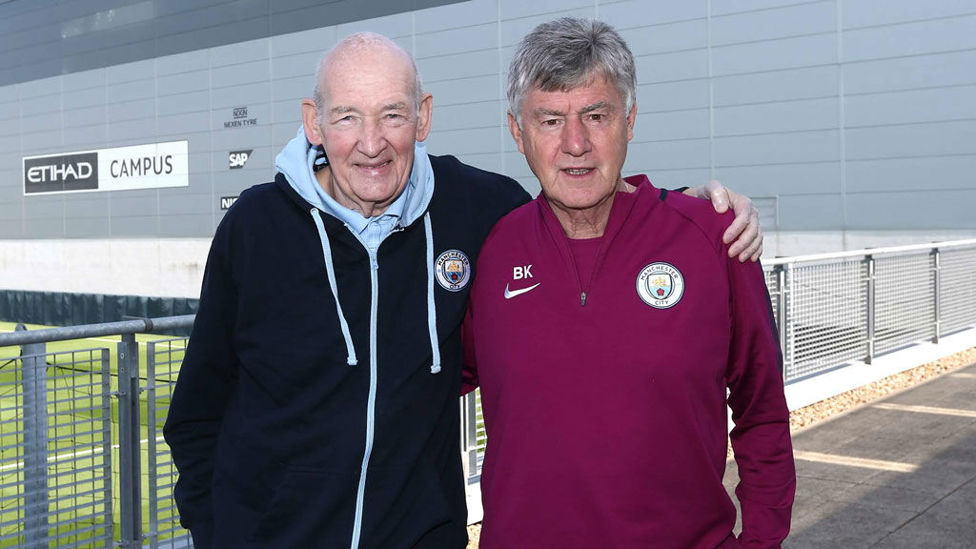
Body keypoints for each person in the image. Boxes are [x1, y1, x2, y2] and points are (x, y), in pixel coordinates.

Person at [163, 32, 765, 549]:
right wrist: (216, 533)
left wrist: (693, 208)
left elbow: (579, 201)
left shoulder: (479, 208)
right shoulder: (254, 226)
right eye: (347, 116)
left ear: (423, 117)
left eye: (393, 115)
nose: (371, 143)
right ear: (313, 122)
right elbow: (197, 413)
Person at [462, 18, 795, 549]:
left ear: (630, 120)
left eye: (597, 115)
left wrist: (761, 539)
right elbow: (417, 386)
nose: (576, 143)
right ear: (516, 131)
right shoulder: (491, 248)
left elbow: (763, 411)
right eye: (550, 120)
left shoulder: (714, 238)